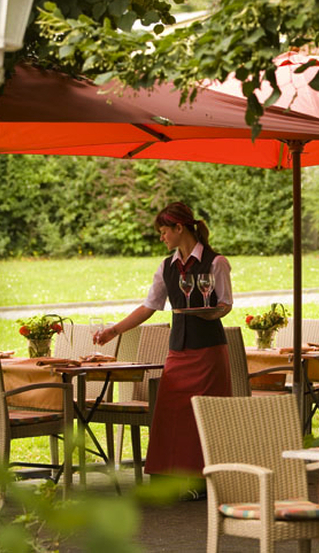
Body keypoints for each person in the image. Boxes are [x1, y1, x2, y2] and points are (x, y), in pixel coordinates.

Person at [94, 202, 232, 484]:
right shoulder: (166, 267)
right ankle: (167, 477)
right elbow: (149, 306)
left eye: (164, 231)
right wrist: (114, 331)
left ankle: (205, 479)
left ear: (179, 228)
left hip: (208, 351)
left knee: (203, 415)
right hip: (178, 351)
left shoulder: (217, 262)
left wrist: (209, 312)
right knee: (169, 412)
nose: (161, 237)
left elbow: (226, 304)